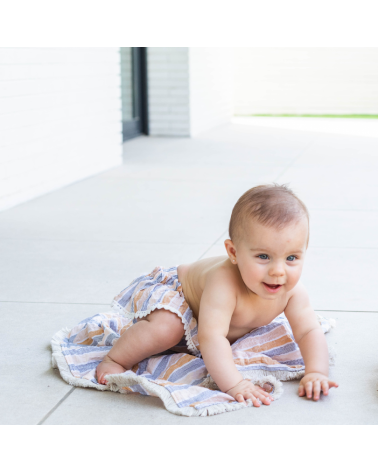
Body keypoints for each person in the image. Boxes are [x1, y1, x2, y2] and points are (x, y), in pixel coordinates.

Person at [96, 184, 338, 406]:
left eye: (291, 258)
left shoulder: (293, 292)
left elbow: (308, 331)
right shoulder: (224, 283)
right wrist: (236, 384)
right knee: (167, 330)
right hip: (176, 294)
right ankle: (115, 359)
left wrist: (316, 371)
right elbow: (212, 337)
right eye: (263, 257)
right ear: (233, 252)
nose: (278, 271)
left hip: (206, 315)